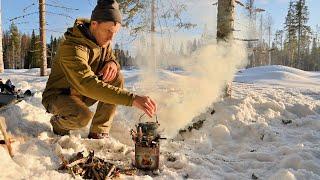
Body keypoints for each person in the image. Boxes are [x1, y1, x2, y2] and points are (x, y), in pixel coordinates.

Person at [42, 0, 157, 139]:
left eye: (114, 32)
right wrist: (132, 99)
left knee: (116, 77)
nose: (111, 37)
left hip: (82, 94)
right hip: (59, 96)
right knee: (82, 117)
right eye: (108, 31)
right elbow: (86, 83)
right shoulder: (73, 47)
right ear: (94, 24)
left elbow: (111, 57)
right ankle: (59, 124)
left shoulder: (102, 41)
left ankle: (99, 131)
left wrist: (113, 63)